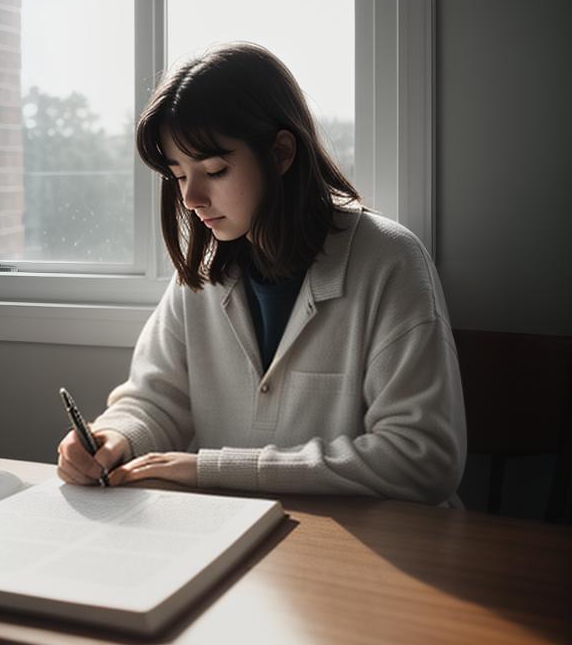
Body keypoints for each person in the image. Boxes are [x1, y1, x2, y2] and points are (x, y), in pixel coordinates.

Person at [56, 42, 466, 505]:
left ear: (282, 152)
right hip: (234, 536)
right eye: (177, 174)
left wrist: (212, 469)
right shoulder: (205, 273)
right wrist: (116, 437)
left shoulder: (390, 261)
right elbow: (156, 398)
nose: (191, 198)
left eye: (214, 169)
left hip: (371, 548)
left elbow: (422, 457)